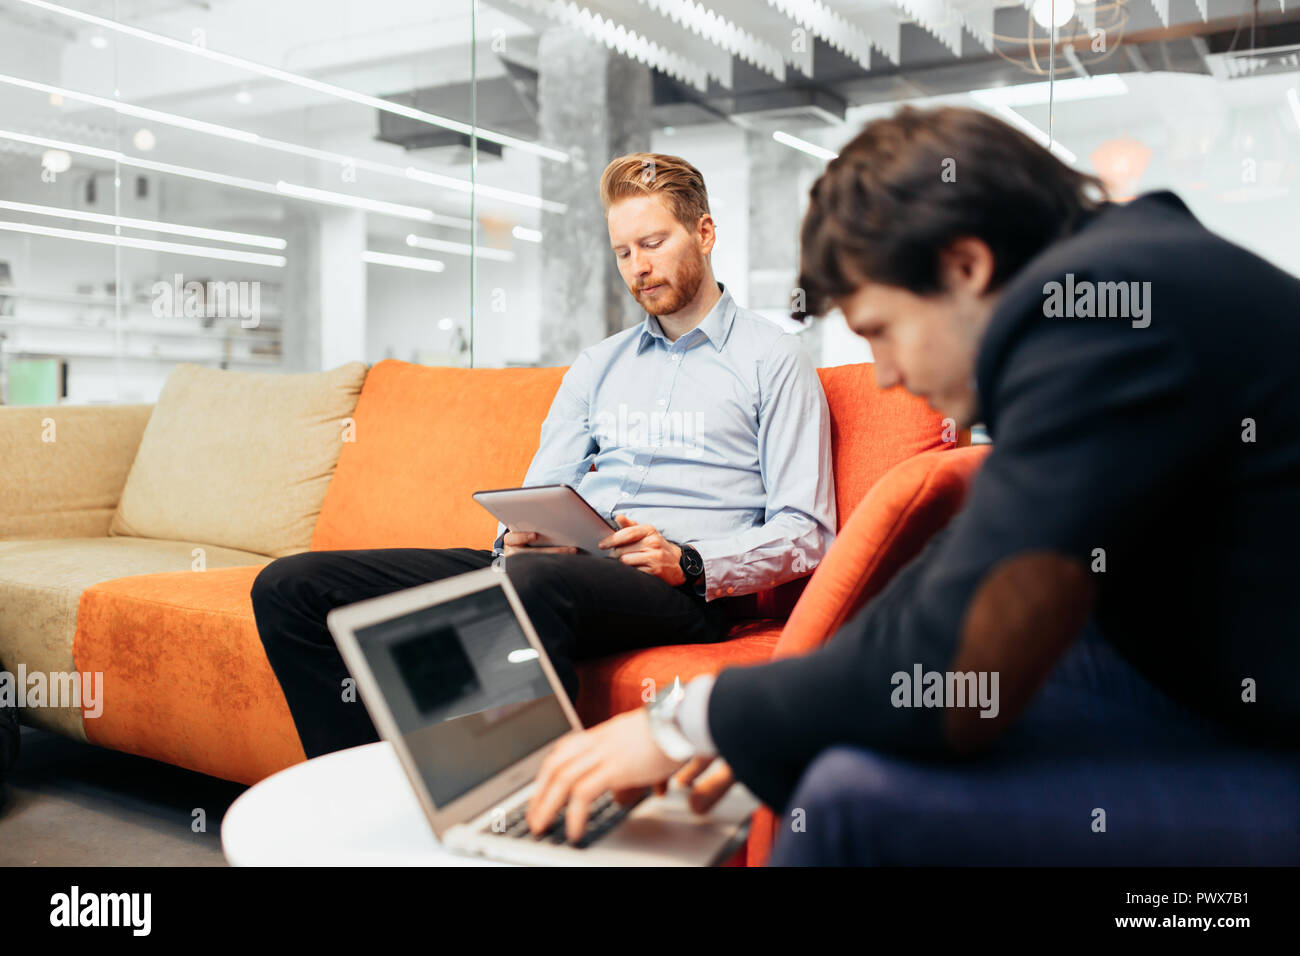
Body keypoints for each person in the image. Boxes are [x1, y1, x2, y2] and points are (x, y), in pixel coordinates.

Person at [524, 106, 1300, 865]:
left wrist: (693, 721)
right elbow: (953, 585)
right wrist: (773, 719)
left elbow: (954, 656)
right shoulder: (1121, 269)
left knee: (848, 801)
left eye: (880, 331)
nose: (887, 373)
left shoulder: (1104, 315)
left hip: (1259, 734)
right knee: (831, 750)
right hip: (1195, 670)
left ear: (964, 266)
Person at [252, 152, 836, 759]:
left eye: (653, 243)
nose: (638, 267)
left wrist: (687, 561)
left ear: (705, 233)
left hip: (676, 587)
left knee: (536, 579)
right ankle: (383, 790)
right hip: (555, 569)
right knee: (292, 587)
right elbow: (540, 494)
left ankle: (515, 812)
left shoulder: (774, 358)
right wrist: (521, 534)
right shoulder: (597, 365)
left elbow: (808, 530)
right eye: (623, 253)